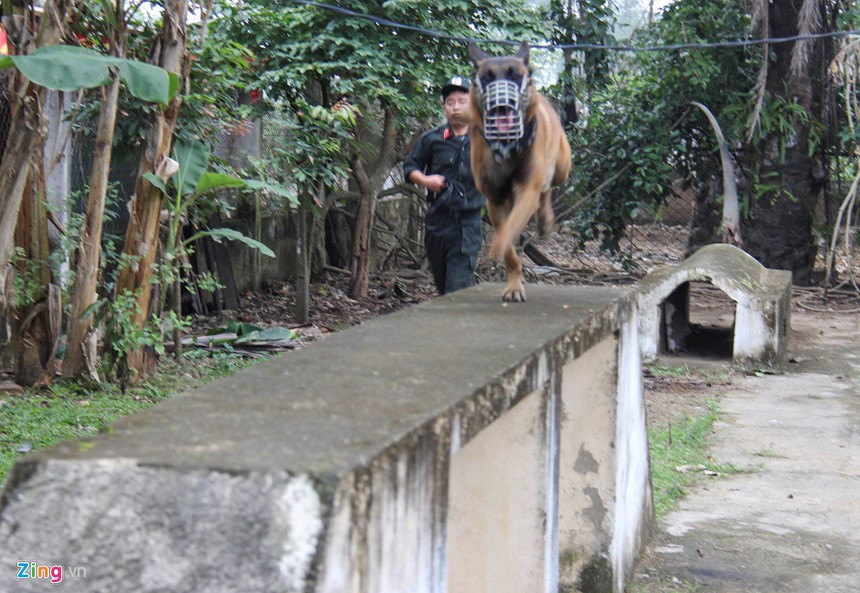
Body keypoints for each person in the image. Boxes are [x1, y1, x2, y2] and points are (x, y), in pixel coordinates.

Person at [404, 76, 486, 295]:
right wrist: (425, 180)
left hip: (466, 224)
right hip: (437, 223)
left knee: (457, 290)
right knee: (443, 290)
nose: (456, 107)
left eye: (461, 101)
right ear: (444, 107)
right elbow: (410, 166)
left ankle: (459, 327)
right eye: (450, 102)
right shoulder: (432, 139)